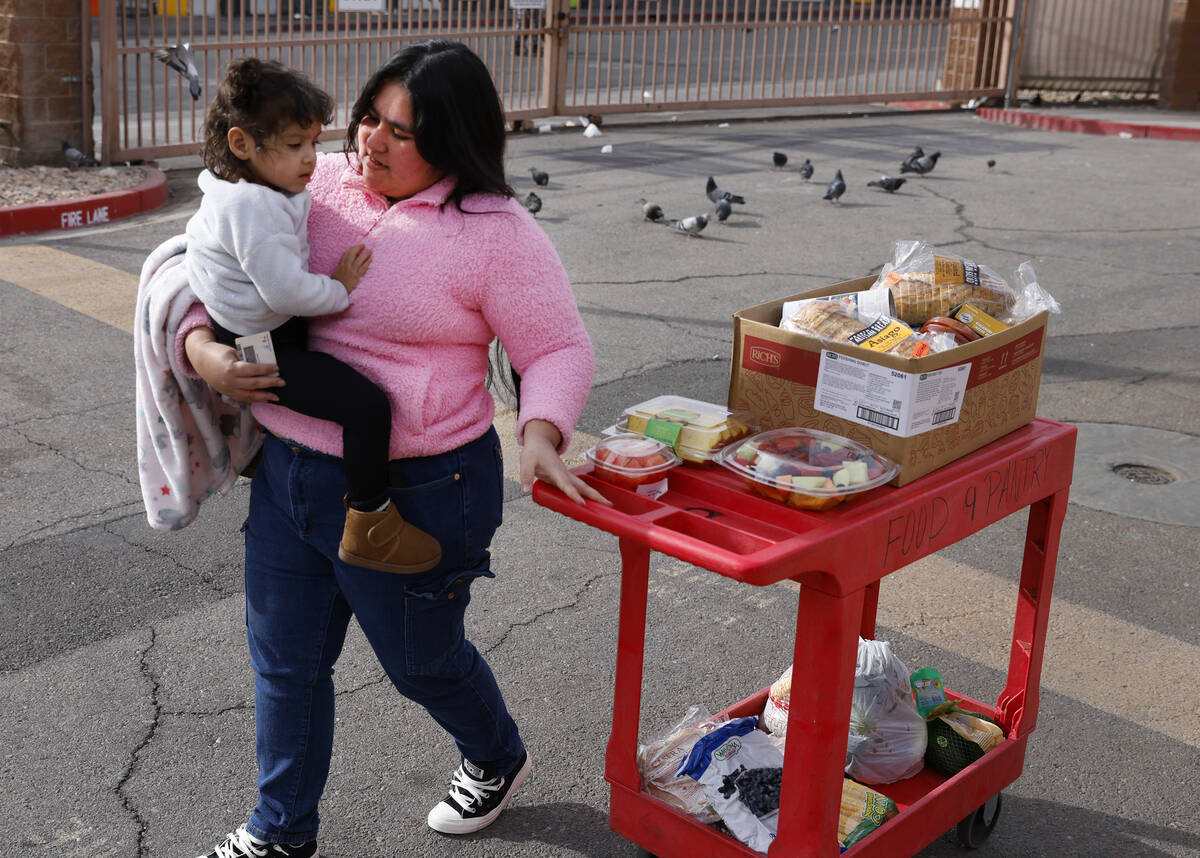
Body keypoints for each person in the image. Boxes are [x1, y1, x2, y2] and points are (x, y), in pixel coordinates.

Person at [175, 40, 609, 858]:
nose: (368, 142)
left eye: (400, 132)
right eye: (368, 116)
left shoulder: (495, 232)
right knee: (286, 667)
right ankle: (279, 834)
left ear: (452, 141)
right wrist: (204, 350)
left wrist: (541, 430)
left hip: (421, 484)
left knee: (421, 664)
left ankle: (496, 754)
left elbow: (556, 347)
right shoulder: (313, 177)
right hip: (289, 473)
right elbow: (205, 261)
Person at [186, 56, 442, 575]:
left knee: (315, 381)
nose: (311, 158)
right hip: (257, 342)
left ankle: (257, 450)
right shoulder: (252, 208)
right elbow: (287, 293)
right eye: (296, 145)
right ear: (242, 145)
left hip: (252, 328)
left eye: (315, 142)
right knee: (366, 406)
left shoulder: (247, 187)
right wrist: (338, 289)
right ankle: (371, 519)